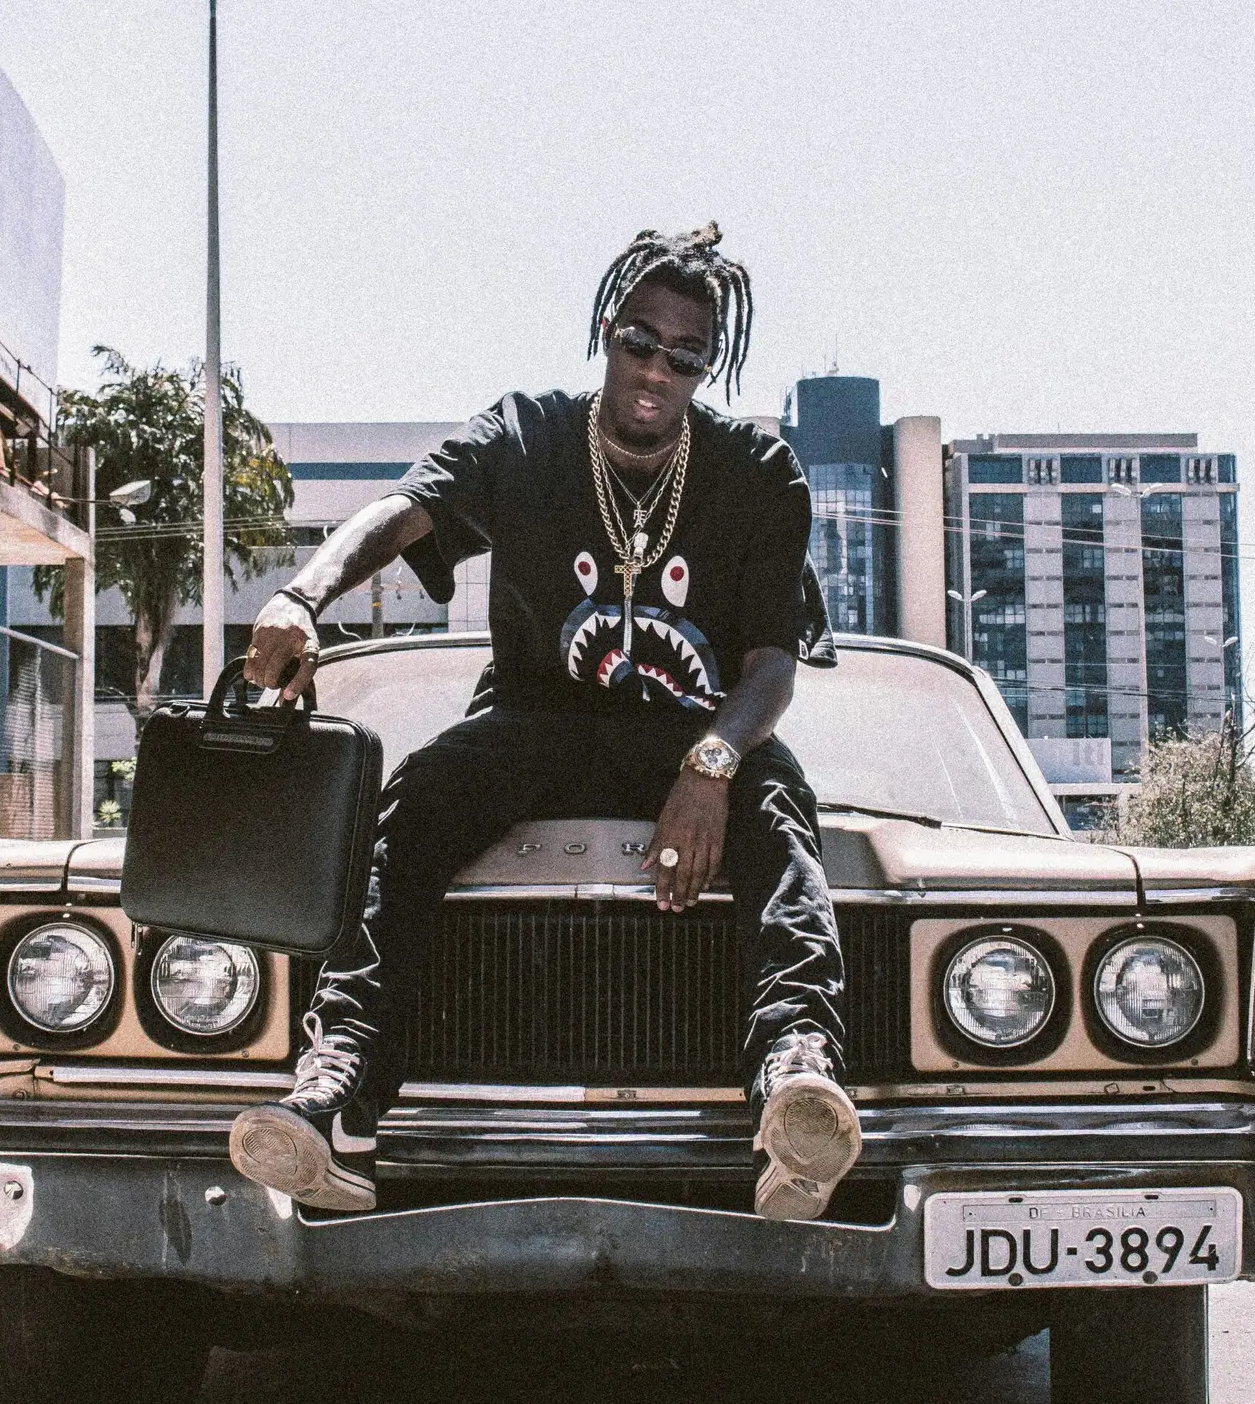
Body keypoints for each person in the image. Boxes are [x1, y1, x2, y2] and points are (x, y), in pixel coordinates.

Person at [229, 224, 860, 1221]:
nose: (657, 367)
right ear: (608, 333)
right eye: (640, 340)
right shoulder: (523, 436)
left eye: (685, 355)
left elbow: (770, 666)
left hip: (688, 733)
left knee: (776, 805)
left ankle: (795, 1082)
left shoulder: (758, 473)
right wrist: (301, 598)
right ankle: (337, 1084)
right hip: (537, 722)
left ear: (710, 366)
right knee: (418, 800)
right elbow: (403, 512)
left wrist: (709, 763)